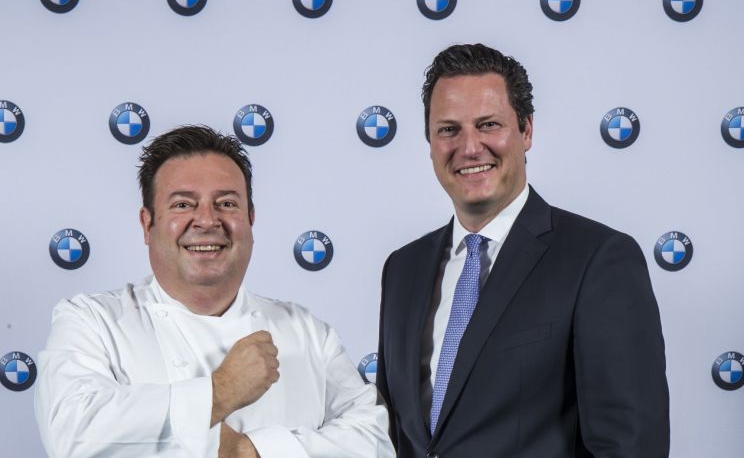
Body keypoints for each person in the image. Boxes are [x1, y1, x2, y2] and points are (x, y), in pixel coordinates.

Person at [376, 44, 670, 457]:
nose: (470, 147)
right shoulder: (403, 268)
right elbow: (391, 436)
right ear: (430, 143)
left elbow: (630, 446)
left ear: (526, 130)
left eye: (488, 124)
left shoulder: (597, 259)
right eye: (448, 130)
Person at [35, 125, 395, 458]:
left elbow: (375, 441)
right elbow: (72, 435)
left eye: (226, 203)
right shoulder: (92, 321)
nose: (207, 220)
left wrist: (251, 451)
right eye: (183, 204)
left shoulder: (306, 332)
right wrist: (220, 391)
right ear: (148, 224)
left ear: (250, 219)